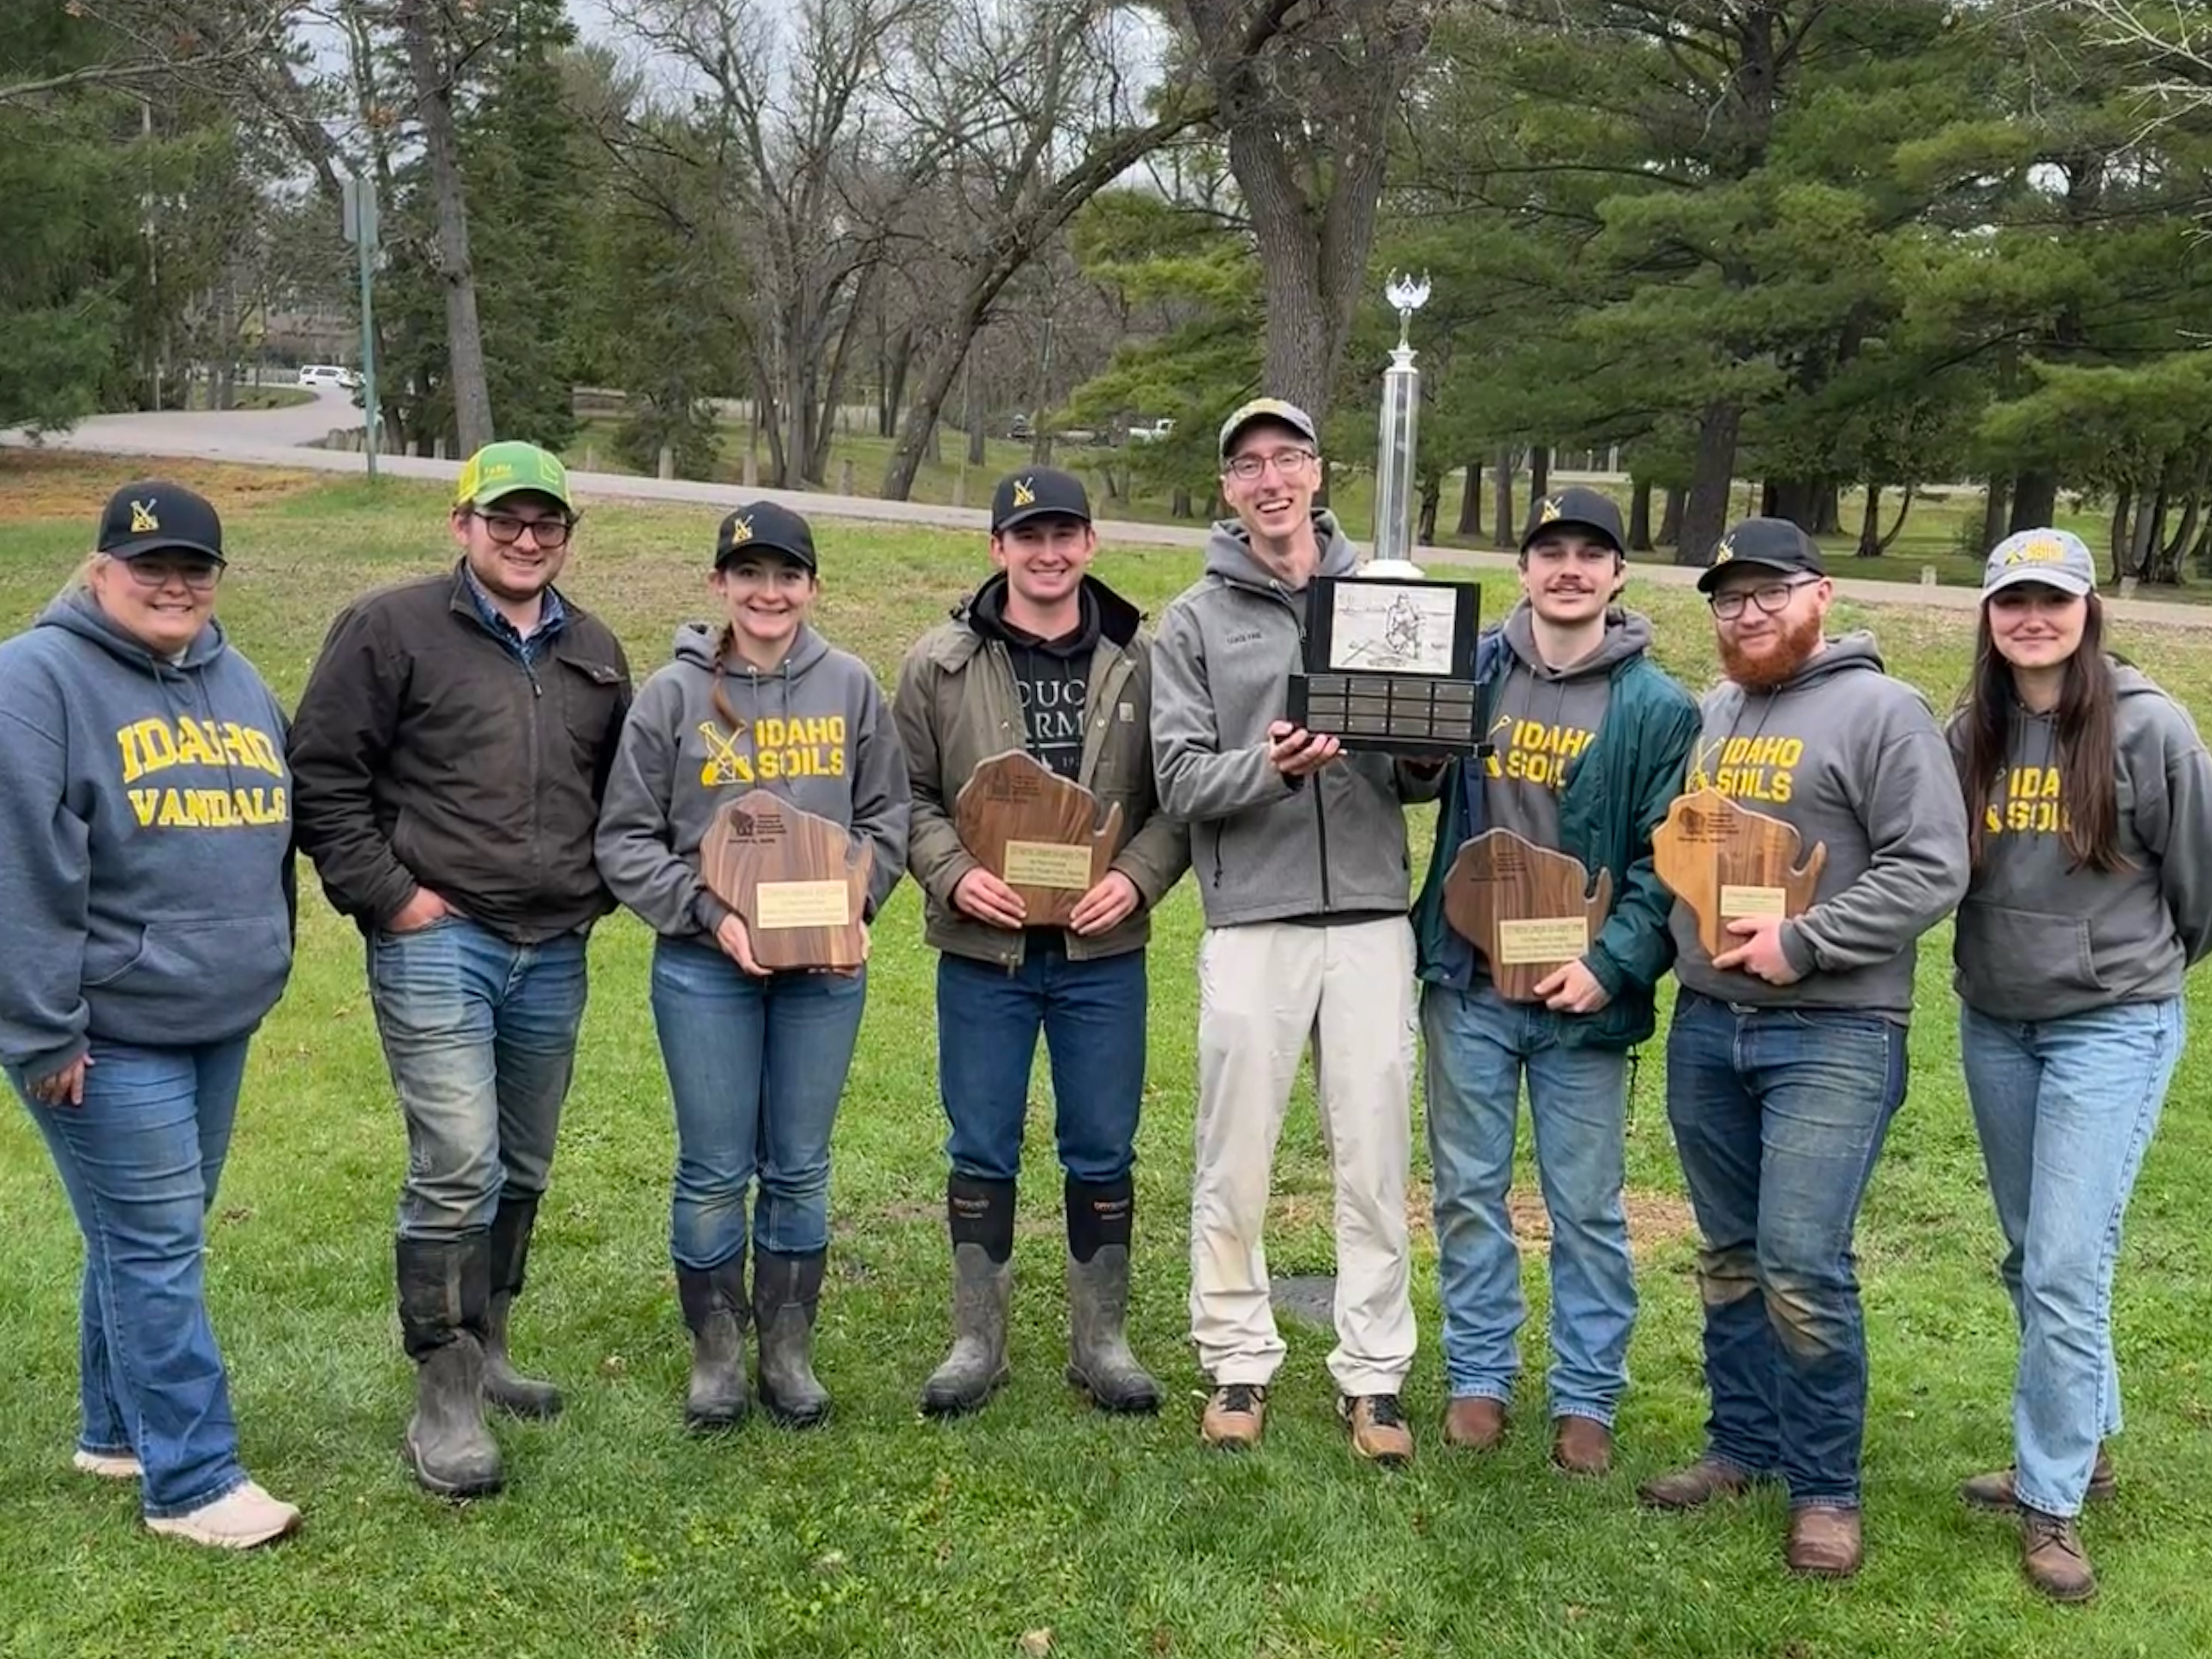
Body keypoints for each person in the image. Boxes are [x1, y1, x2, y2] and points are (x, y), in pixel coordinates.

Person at [290, 442, 632, 1498]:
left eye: (546, 525)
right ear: (462, 525)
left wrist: (599, 891)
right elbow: (321, 776)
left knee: (521, 1170)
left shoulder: (600, 652)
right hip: (442, 941)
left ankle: (488, 1354)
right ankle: (442, 1397)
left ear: (567, 534)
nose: (527, 541)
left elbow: (629, 791)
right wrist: (390, 897)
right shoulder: (389, 630)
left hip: (554, 948)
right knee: (458, 1165)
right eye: (505, 521)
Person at [1638, 517, 1969, 1577]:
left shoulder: (1885, 712)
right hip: (1709, 1022)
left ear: (1820, 595)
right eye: (1730, 598)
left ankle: (1826, 1489)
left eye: (1768, 592)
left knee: (1800, 1262)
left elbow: (1931, 867)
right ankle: (1742, 1446)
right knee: (1731, 1254)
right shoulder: (1719, 709)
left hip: (1835, 1032)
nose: (1747, 613)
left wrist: (1806, 941)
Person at [0, 482, 300, 1548]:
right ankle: (193, 1480)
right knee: (154, 1245)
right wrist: (42, 1030)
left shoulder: (239, 679)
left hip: (216, 1016)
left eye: (194, 569)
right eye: (148, 566)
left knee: (138, 1239)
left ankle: (113, 1428)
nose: (172, 585)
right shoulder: (36, 680)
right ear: (98, 571)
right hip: (107, 1029)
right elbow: (20, 870)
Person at [1150, 397, 1443, 1465]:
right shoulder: (1193, 622)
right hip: (1253, 918)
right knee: (1237, 1153)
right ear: (1228, 490)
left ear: (1321, 473)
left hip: (1370, 915)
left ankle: (1374, 1376)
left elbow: (1418, 767)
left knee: (1372, 1151)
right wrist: (1273, 765)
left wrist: (1423, 752)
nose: (1271, 480)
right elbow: (1178, 778)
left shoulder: (1381, 597)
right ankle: (1236, 1355)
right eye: (1248, 466)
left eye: (1290, 459)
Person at [597, 502, 909, 1432]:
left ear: (813, 587)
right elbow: (624, 838)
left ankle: (788, 1345)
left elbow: (888, 816)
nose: (768, 593)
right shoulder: (671, 697)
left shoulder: (851, 686)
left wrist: (857, 896)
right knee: (713, 1165)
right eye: (749, 575)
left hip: (824, 969)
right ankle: (717, 1350)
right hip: (707, 966)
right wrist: (705, 912)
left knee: (802, 1165)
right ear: (719, 586)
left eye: (787, 576)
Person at [1408, 487, 1698, 1474]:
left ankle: (1586, 1396)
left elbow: (1670, 861)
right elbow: (1414, 771)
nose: (1569, 568)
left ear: (1618, 575)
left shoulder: (1659, 707)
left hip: (1582, 997)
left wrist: (1608, 964)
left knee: (1586, 1204)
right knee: (1467, 1188)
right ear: (1523, 569)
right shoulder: (1476, 671)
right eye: (1550, 552)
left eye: (1591, 553)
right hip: (1470, 979)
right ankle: (1480, 1374)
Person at [1947, 528, 2212, 1602]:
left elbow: (2199, 892)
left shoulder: (2153, 729)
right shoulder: (1971, 730)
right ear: (1991, 616)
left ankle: (2050, 1502)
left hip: (2111, 1026)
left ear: (2089, 609)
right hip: (1996, 1021)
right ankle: (2087, 1444)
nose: (2032, 619)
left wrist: (2126, 976)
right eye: (2013, 602)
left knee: (2064, 1262)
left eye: (2052, 600)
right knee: (2031, 1256)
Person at [894, 468, 1188, 1420]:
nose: (1048, 552)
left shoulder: (1145, 662)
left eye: (1065, 533)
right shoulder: (937, 665)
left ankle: (1100, 1341)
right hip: (988, 950)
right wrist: (950, 871)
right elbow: (903, 798)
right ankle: (977, 1339)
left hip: (1102, 952)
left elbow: (1177, 802)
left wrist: (1134, 880)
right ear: (997, 549)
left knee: (1102, 1141)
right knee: (981, 1137)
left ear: (1091, 544)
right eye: (1028, 535)